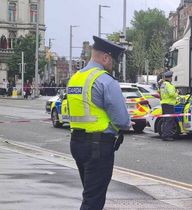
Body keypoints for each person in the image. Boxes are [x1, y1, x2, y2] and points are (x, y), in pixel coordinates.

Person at [67, 36, 131, 210]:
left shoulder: (75, 78)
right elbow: (122, 120)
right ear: (105, 58)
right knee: (93, 201)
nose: (113, 65)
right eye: (112, 61)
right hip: (98, 146)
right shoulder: (105, 80)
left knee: (89, 192)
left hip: (77, 143)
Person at [159, 70, 179, 141]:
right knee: (169, 120)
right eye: (172, 77)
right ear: (170, 78)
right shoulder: (169, 85)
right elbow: (171, 94)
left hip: (164, 104)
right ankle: (167, 136)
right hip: (169, 104)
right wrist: (177, 93)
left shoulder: (163, 84)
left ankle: (164, 134)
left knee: (165, 120)